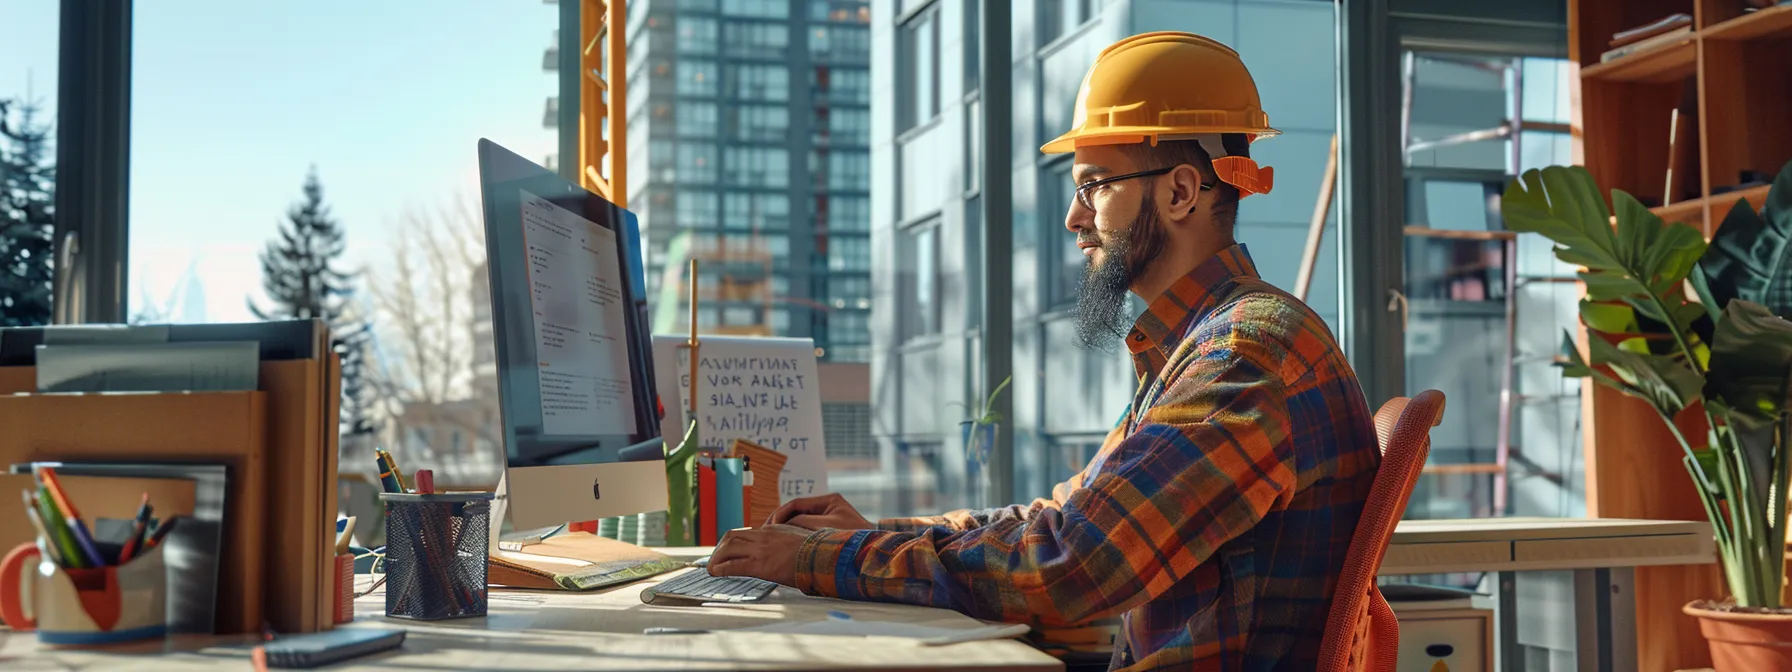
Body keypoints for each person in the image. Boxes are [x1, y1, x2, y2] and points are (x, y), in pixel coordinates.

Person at [710, 31, 1380, 670]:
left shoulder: (1243, 354)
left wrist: (818, 559)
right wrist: (871, 536)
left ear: (1179, 192)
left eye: (1094, 184)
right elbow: (1062, 517)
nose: (1074, 216)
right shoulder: (1195, 345)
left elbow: (1072, 565)